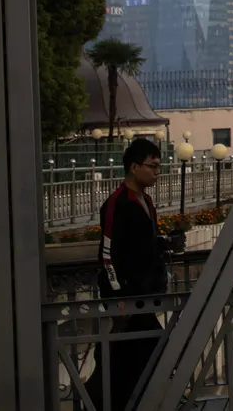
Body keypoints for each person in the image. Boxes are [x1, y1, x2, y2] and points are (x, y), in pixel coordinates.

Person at [84, 137, 167, 411]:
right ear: (134, 167)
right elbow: (107, 252)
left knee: (126, 353)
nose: (157, 172)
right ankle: (101, 400)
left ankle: (109, 401)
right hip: (129, 298)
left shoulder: (145, 201)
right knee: (145, 348)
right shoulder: (117, 203)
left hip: (144, 294)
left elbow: (144, 244)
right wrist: (118, 294)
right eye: (152, 166)